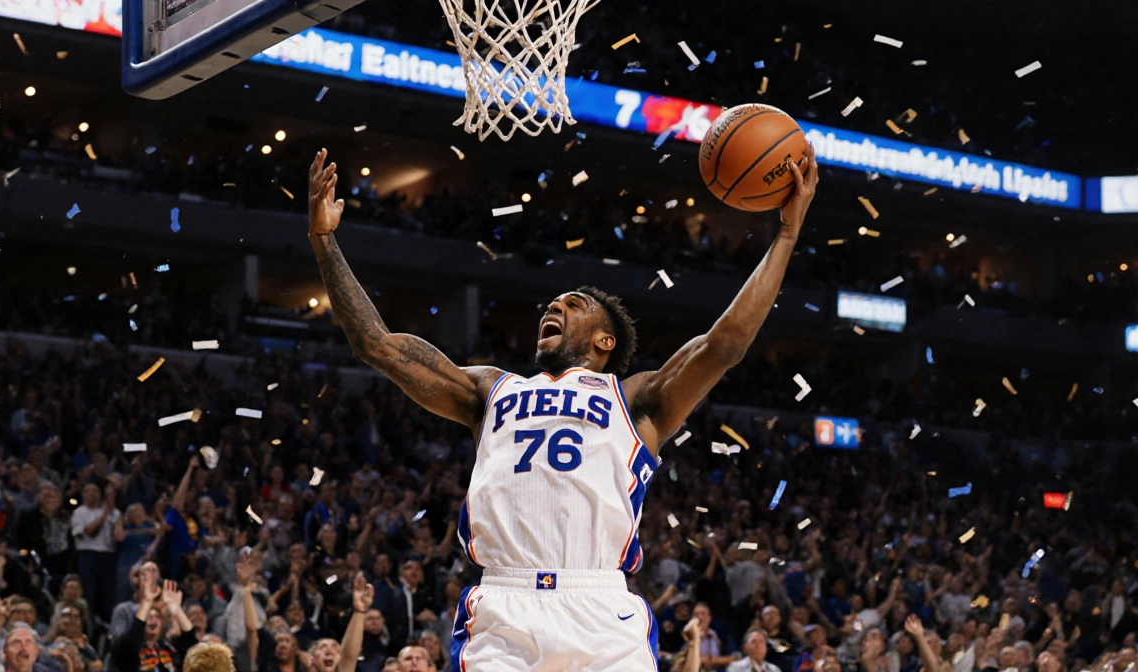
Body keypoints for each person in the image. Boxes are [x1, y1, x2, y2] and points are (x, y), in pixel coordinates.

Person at [307, 139, 819, 671]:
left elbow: (725, 344)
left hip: (599, 605)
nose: (554, 306)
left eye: (574, 306)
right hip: (506, 605)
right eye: (552, 304)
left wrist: (785, 233)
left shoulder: (637, 399)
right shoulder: (491, 390)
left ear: (605, 342)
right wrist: (324, 241)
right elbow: (378, 346)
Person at [70, 484, 120, 621]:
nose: (92, 494)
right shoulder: (79, 512)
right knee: (88, 594)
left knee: (107, 595)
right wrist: (104, 514)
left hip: (108, 556)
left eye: (95, 490)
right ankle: (87, 624)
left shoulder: (113, 513)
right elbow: (90, 532)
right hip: (87, 556)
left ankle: (106, 627)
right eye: (88, 491)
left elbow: (119, 536)